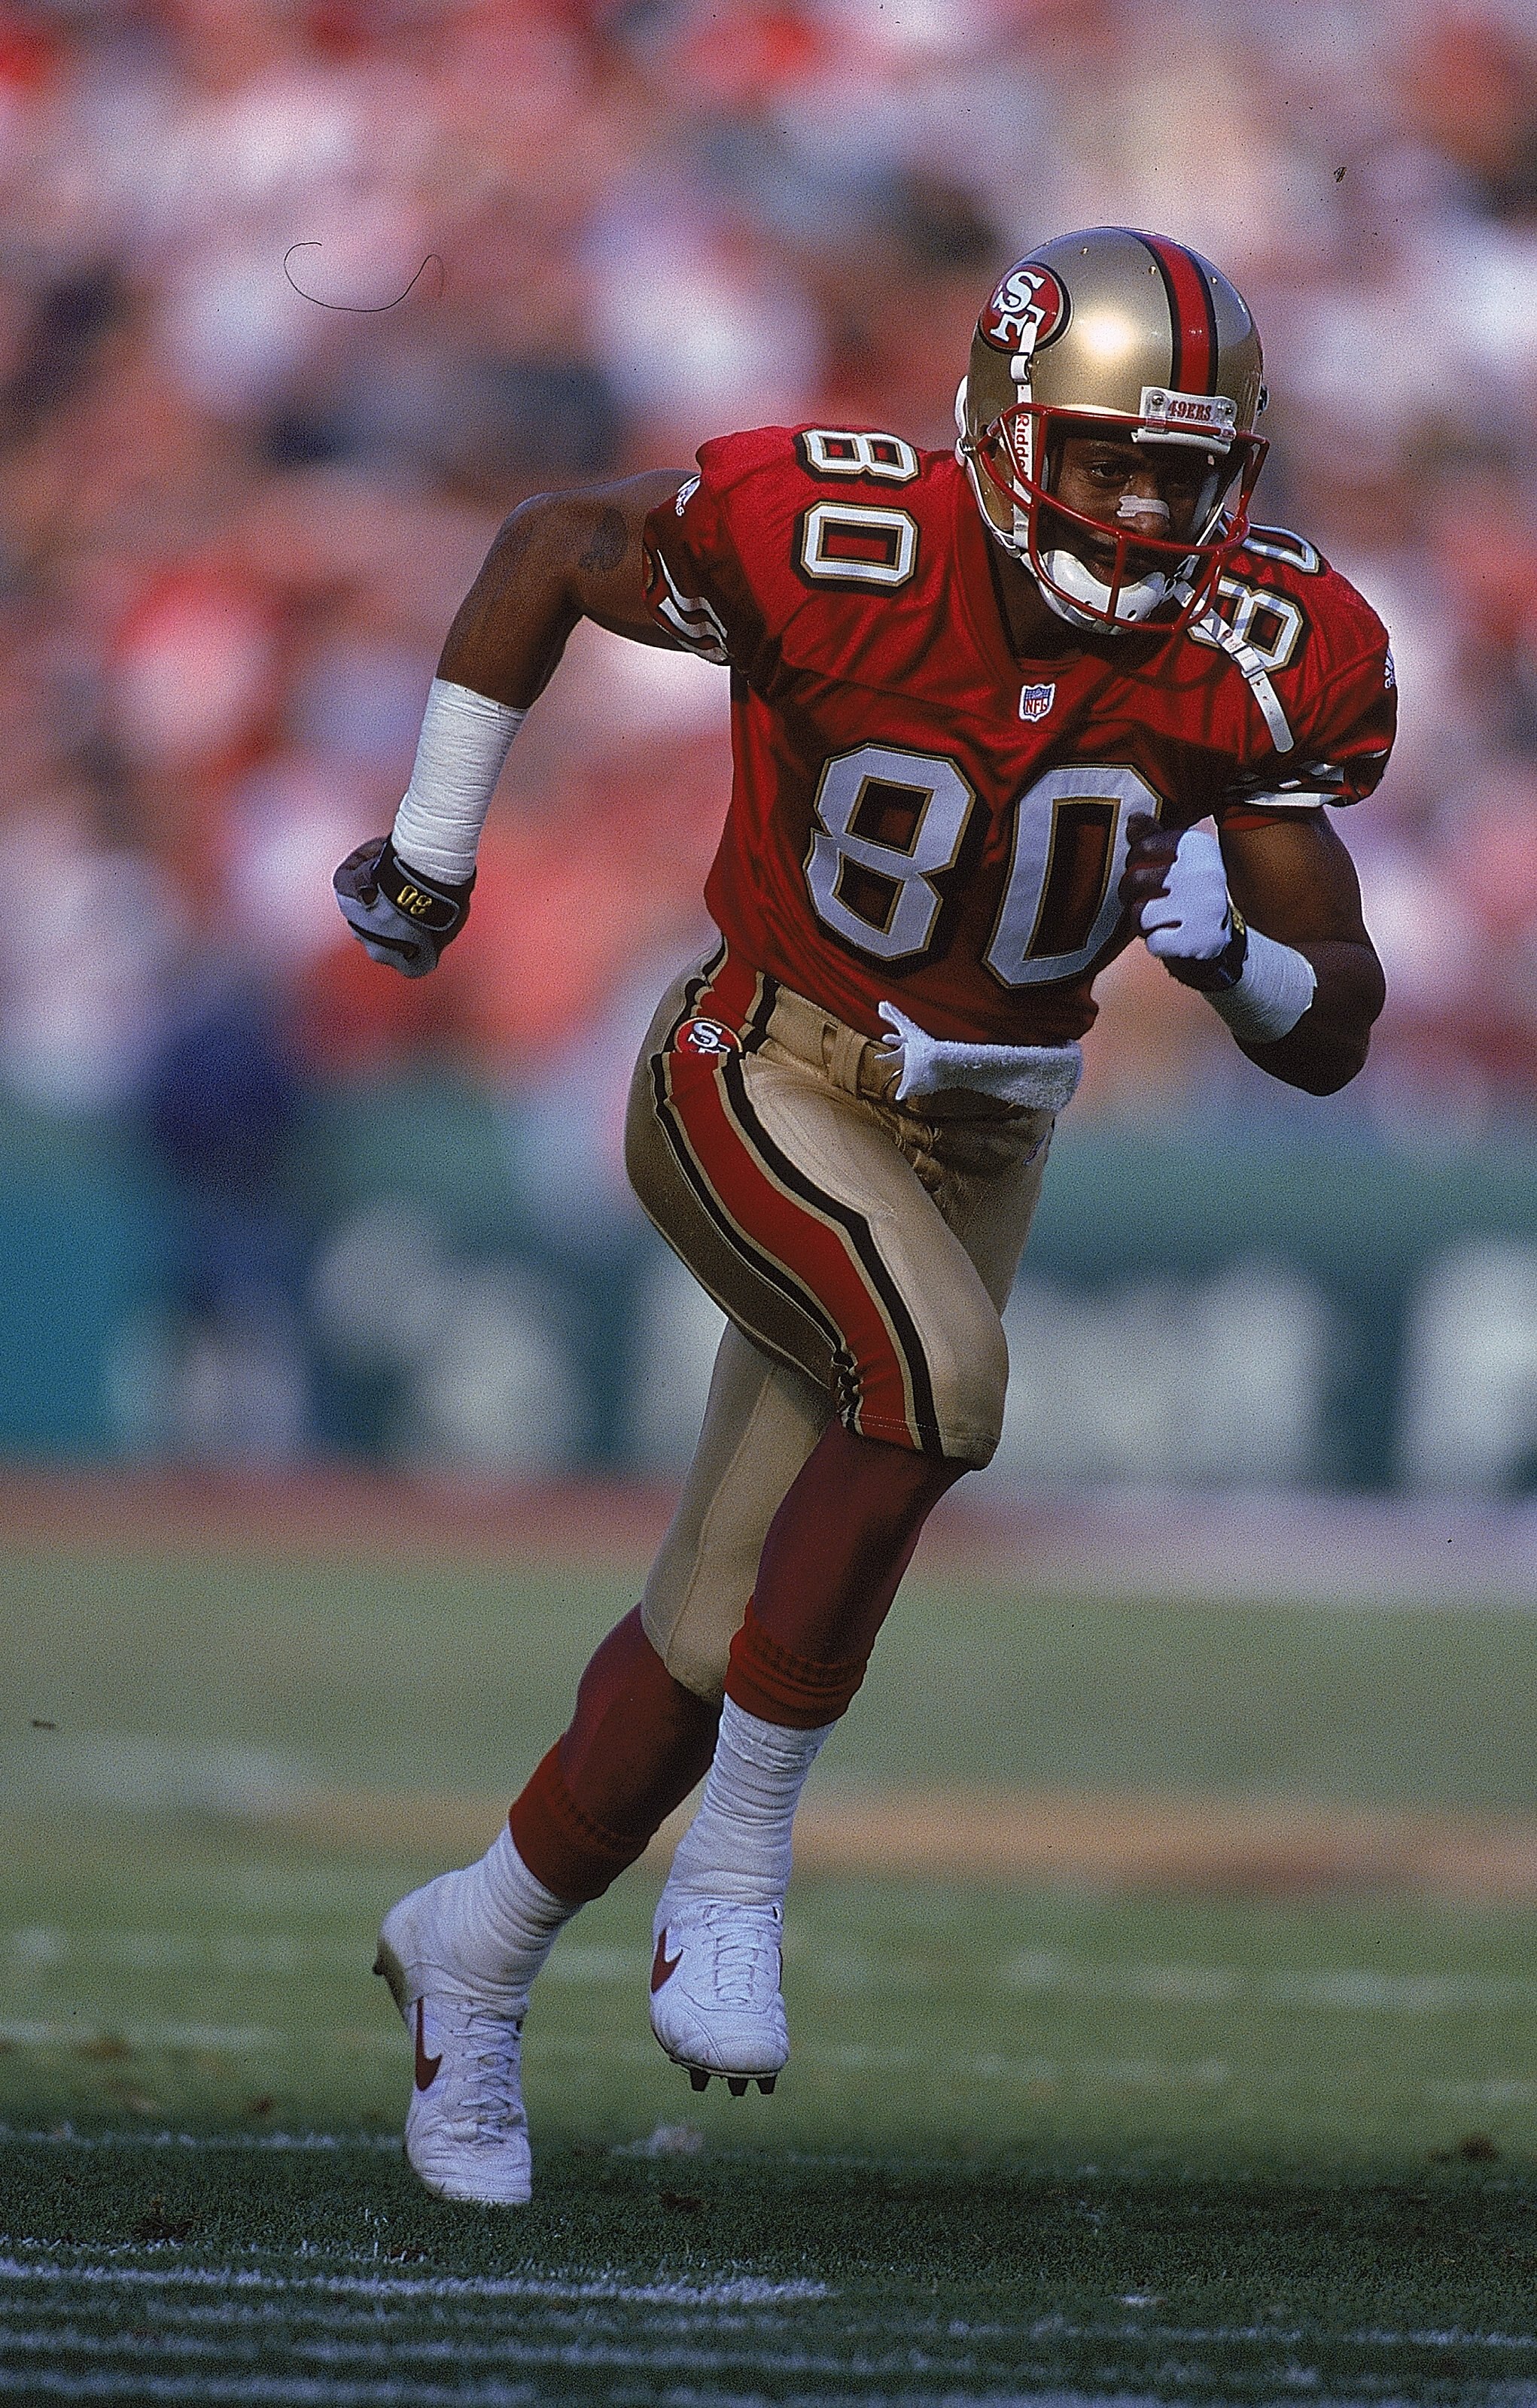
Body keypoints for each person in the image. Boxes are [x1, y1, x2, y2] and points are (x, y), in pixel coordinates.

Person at [335, 227, 1394, 2205]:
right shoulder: (841, 538)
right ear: (1003, 429)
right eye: (1108, 459)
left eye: (1189, 470)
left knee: (706, 1626)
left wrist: (1239, 966)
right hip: (762, 1061)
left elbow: (1336, 1022)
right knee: (945, 1380)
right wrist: (432, 850)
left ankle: (466, 1949)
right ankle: (736, 1878)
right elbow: (553, 544)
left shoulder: (1261, 653)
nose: (1150, 507)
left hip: (987, 1136)